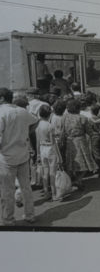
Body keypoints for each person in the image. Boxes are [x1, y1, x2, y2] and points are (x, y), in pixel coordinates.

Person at [0, 88, 37, 225]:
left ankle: (8, 219)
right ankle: (30, 215)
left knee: (7, 191)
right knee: (26, 187)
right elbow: (36, 121)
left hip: (6, 157)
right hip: (22, 154)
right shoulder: (22, 111)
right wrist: (26, 133)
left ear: (2, 98)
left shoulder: (1, 112)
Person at [60, 99, 98, 190]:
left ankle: (70, 182)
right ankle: (78, 180)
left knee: (70, 163)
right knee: (85, 163)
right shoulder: (82, 118)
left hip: (69, 141)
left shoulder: (64, 117)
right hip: (80, 141)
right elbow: (89, 131)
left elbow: (62, 130)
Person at [35, 105, 62, 201]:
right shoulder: (50, 126)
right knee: (52, 172)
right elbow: (53, 142)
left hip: (42, 149)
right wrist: (59, 156)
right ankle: (54, 194)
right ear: (49, 114)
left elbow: (37, 142)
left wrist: (38, 154)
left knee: (45, 173)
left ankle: (46, 192)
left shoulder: (38, 126)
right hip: (50, 149)